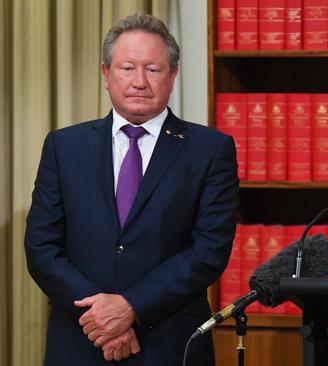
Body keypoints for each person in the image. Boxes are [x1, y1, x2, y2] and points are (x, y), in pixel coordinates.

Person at [24, 13, 238, 365]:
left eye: (153, 69)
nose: (140, 81)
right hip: (81, 339)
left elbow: (209, 250)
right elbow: (41, 247)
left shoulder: (210, 150)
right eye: (127, 68)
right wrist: (102, 316)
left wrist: (130, 308)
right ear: (106, 75)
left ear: (172, 77)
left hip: (168, 342)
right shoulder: (64, 146)